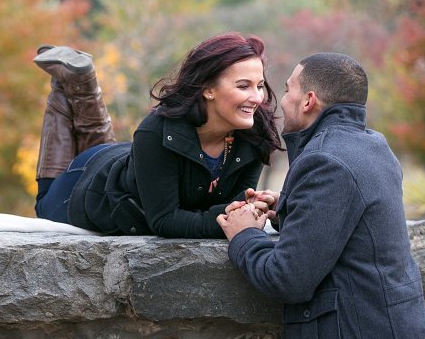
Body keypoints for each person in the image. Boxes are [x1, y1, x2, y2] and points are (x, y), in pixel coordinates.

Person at [210, 53, 425, 339]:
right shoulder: (372, 145)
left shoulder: (326, 158)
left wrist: (245, 234)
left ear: (309, 100)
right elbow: (353, 221)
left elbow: (288, 279)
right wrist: (286, 208)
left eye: (286, 91)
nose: (277, 101)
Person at [33, 32, 283, 238]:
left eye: (259, 85)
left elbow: (233, 207)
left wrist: (257, 205)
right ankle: (68, 83)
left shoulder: (255, 133)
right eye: (243, 86)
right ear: (207, 89)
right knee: (44, 202)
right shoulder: (156, 133)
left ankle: (82, 82)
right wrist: (231, 220)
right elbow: (164, 221)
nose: (257, 98)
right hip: (87, 183)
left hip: (130, 162)